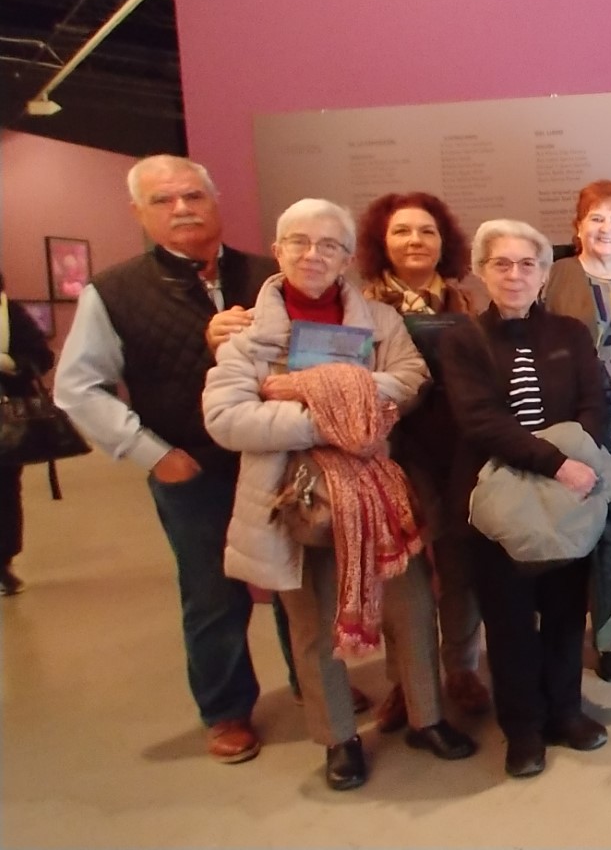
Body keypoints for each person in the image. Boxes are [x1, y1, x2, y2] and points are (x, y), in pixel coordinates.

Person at [204, 198, 475, 791]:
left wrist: (319, 394)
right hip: (292, 497)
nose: (314, 255)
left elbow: (410, 379)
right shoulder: (247, 333)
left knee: (413, 606)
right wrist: (334, 419)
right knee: (311, 623)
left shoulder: (377, 320)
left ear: (347, 256)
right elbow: (226, 417)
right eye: (300, 242)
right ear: (278, 250)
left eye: (329, 245)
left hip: (378, 490)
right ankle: (338, 740)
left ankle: (427, 718)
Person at [53, 155, 282, 763]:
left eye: (192, 196)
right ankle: (225, 709)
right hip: (192, 464)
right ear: (139, 213)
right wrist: (150, 454)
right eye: (163, 200)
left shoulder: (270, 276)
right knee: (212, 592)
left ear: (215, 200)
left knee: (296, 580)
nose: (182, 209)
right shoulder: (114, 292)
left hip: (275, 456)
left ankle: (317, 683)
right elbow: (77, 387)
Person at [439, 219, 611, 779]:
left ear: (543, 274)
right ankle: (523, 729)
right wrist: (556, 463)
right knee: (509, 621)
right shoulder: (462, 340)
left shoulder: (570, 333)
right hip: (497, 500)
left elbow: (593, 402)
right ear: (482, 271)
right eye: (501, 264)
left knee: (565, 613)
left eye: (527, 264)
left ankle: (565, 712)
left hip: (568, 493)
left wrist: (576, 461)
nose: (515, 275)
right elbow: (480, 419)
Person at [355, 191, 491, 730]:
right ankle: (405, 680)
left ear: (444, 241)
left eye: (427, 231)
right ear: (381, 242)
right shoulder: (360, 307)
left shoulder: (467, 301)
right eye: (402, 231)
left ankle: (462, 668)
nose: (415, 240)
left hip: (459, 451)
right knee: (402, 576)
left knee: (461, 568)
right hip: (392, 456)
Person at [545, 180, 611, 683]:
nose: (607, 228)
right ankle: (569, 641)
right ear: (578, 226)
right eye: (597, 218)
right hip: (572, 429)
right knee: (578, 533)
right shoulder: (553, 275)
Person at [1, 272, 57, 595]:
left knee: (5, 489)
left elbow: (41, 357)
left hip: (8, 417)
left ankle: (3, 562)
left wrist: (11, 363)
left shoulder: (12, 315)